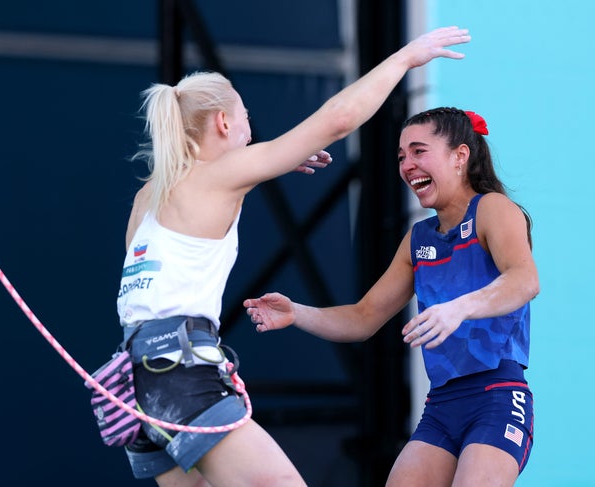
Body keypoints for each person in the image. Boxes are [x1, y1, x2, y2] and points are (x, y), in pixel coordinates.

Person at [114, 26, 471, 487]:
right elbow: (338, 119)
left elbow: (185, 236)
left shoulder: (150, 195)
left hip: (137, 388)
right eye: (246, 117)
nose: (249, 128)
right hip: (182, 375)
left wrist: (272, 162)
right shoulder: (218, 177)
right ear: (225, 123)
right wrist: (403, 59)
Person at [244, 107, 539, 486]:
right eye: (401, 156)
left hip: (497, 397)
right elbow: (364, 317)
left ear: (460, 156)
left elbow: (525, 280)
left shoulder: (492, 208)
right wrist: (297, 313)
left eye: (419, 151)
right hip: (442, 406)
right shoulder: (418, 239)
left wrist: (459, 309)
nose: (407, 165)